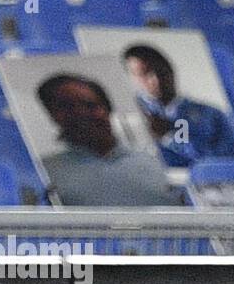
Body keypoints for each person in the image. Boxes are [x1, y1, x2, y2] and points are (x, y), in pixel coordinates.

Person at [35, 73, 184, 206]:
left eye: (89, 105)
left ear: (107, 108)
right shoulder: (45, 172)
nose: (81, 114)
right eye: (67, 107)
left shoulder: (159, 161)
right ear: (52, 115)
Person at [122, 44, 234, 168]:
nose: (154, 79)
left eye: (160, 71)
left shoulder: (210, 114)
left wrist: (168, 136)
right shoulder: (126, 117)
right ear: (131, 78)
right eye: (143, 74)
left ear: (170, 70)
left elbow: (224, 159)